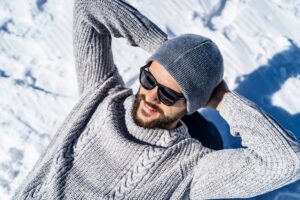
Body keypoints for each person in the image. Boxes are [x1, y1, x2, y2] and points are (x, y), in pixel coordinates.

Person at [13, 0, 300, 199]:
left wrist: (224, 99)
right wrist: (166, 50)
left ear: (194, 103)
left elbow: (287, 162)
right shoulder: (101, 96)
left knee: (210, 139)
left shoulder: (191, 170)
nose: (149, 96)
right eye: (149, 79)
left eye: (168, 94)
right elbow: (90, 8)